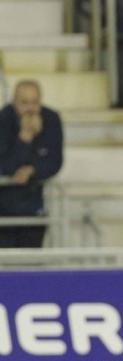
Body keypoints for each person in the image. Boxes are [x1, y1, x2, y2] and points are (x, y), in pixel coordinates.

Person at [0, 80, 63, 248]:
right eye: (24, 103)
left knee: (32, 264)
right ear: (14, 102)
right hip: (3, 210)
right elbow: (4, 165)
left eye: (35, 102)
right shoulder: (3, 120)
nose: (30, 109)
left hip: (34, 209)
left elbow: (55, 162)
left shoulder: (51, 119)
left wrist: (32, 170)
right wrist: (25, 138)